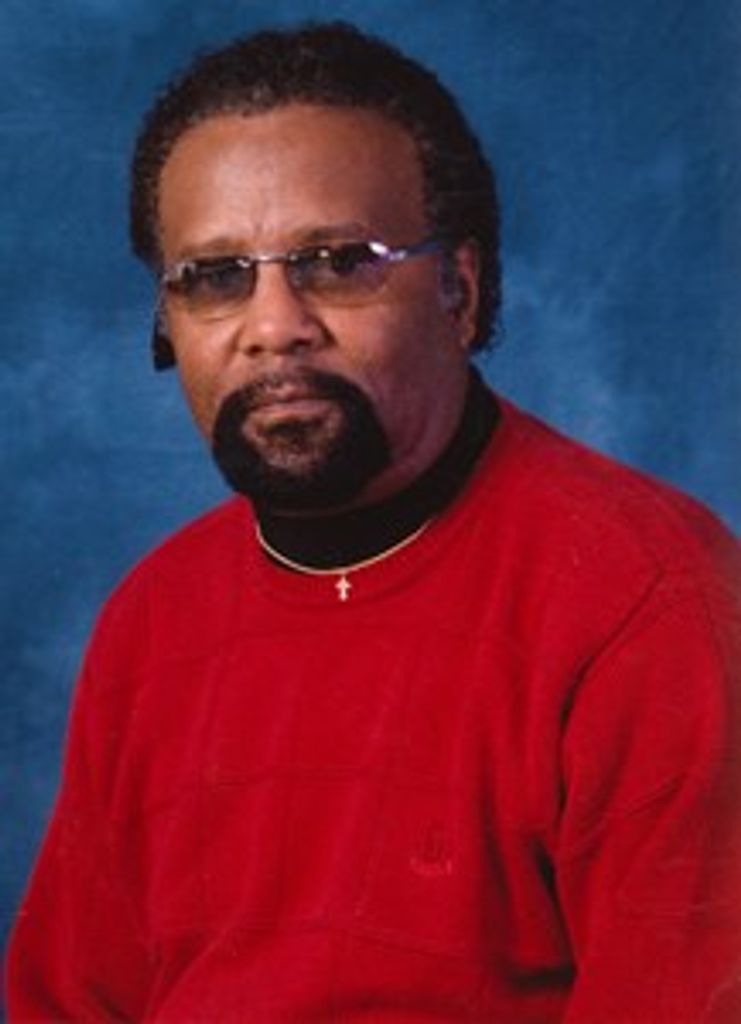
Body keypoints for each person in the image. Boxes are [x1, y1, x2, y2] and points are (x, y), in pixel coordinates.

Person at [6, 20, 741, 1023]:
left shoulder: (646, 599)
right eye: (216, 277)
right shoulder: (151, 617)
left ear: (459, 291)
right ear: (168, 323)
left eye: (337, 261)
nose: (274, 327)